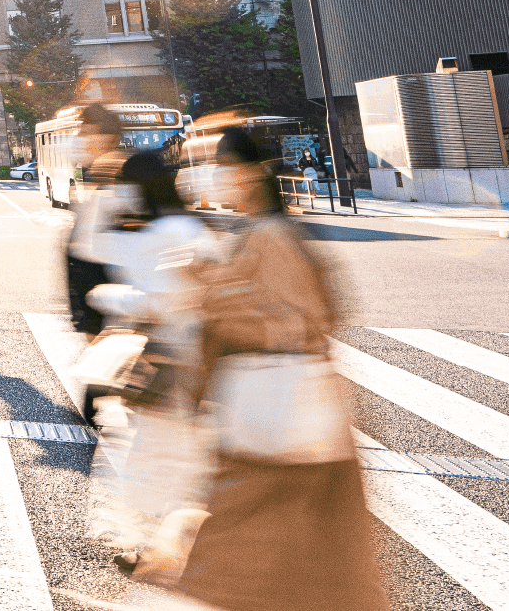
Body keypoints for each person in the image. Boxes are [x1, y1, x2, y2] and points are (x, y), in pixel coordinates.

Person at [174, 128, 384, 611]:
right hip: (275, 420)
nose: (210, 177)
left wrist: (211, 295)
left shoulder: (272, 235)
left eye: (218, 166)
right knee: (299, 560)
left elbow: (295, 323)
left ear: (248, 173)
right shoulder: (259, 231)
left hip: (276, 417)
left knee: (248, 559)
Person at [85, 149, 217, 580]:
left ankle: (144, 544)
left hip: (162, 357)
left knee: (143, 453)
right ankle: (175, 541)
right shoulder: (188, 226)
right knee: (179, 454)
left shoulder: (157, 232)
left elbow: (161, 301)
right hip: (194, 358)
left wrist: (108, 298)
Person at [64, 105, 140, 336]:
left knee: (108, 337)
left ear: (107, 137)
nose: (79, 139)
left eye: (86, 132)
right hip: (83, 265)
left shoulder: (125, 170)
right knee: (92, 333)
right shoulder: (90, 170)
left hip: (108, 269)